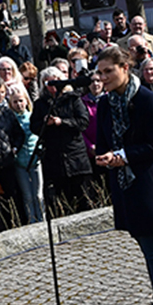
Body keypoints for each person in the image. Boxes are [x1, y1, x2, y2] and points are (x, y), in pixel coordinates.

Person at [95, 45, 153, 305]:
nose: (103, 77)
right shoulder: (106, 104)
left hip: (149, 188)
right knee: (147, 250)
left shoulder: (148, 100)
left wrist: (122, 156)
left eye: (109, 71)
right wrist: (104, 155)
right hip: (126, 187)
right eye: (100, 72)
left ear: (125, 68)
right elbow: (103, 140)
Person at [30, 68, 93, 216]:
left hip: (76, 157)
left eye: (55, 82)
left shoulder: (73, 99)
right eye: (48, 83)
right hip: (54, 159)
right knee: (61, 204)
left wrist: (61, 122)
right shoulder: (41, 104)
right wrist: (45, 123)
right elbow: (34, 127)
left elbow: (83, 122)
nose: (52, 86)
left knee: (84, 201)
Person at [8, 82, 43, 224]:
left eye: (21, 101)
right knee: (27, 195)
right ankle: (31, 221)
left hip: (35, 160)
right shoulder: (11, 119)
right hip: (20, 162)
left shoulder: (32, 116)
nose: (19, 104)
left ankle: (42, 219)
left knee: (38, 194)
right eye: (15, 102)